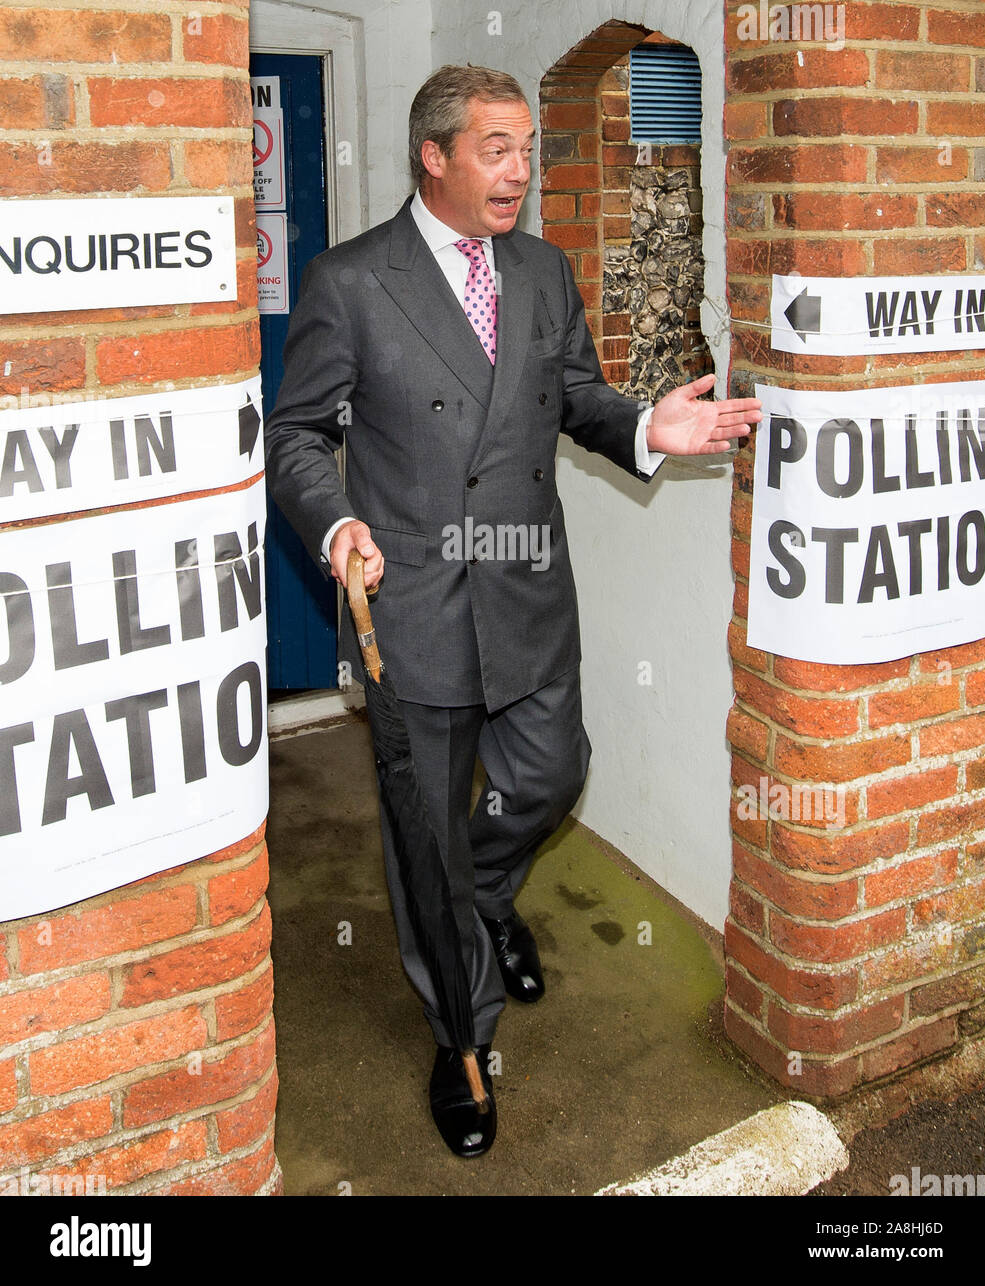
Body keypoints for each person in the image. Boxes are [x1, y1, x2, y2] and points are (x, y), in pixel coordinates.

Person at [264, 64, 762, 1158]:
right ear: (431, 156)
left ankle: (483, 903)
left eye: (529, 148)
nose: (520, 170)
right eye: (496, 147)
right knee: (426, 841)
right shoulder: (352, 281)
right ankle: (464, 1039)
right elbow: (296, 434)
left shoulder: (542, 269)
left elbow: (575, 395)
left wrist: (645, 430)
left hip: (529, 585)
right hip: (412, 607)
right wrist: (337, 526)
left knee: (548, 775)